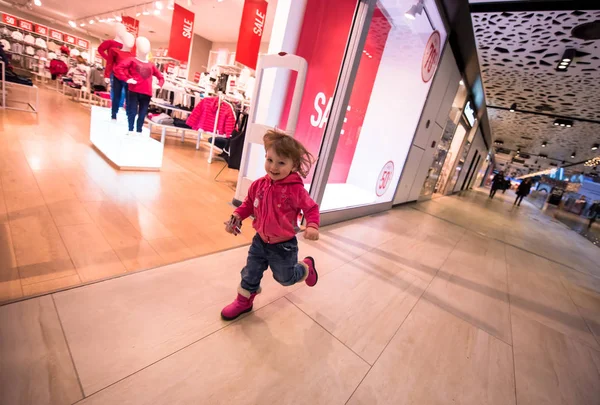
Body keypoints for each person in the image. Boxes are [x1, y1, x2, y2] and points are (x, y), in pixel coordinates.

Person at [221, 130, 320, 321]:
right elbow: (247, 204)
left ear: (294, 166)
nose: (273, 167)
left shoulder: (296, 190)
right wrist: (235, 218)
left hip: (284, 246)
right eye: (270, 160)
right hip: (260, 241)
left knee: (285, 279)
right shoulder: (258, 185)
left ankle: (306, 267)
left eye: (281, 163)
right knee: (251, 272)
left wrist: (312, 225)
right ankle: (244, 301)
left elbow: (311, 207)